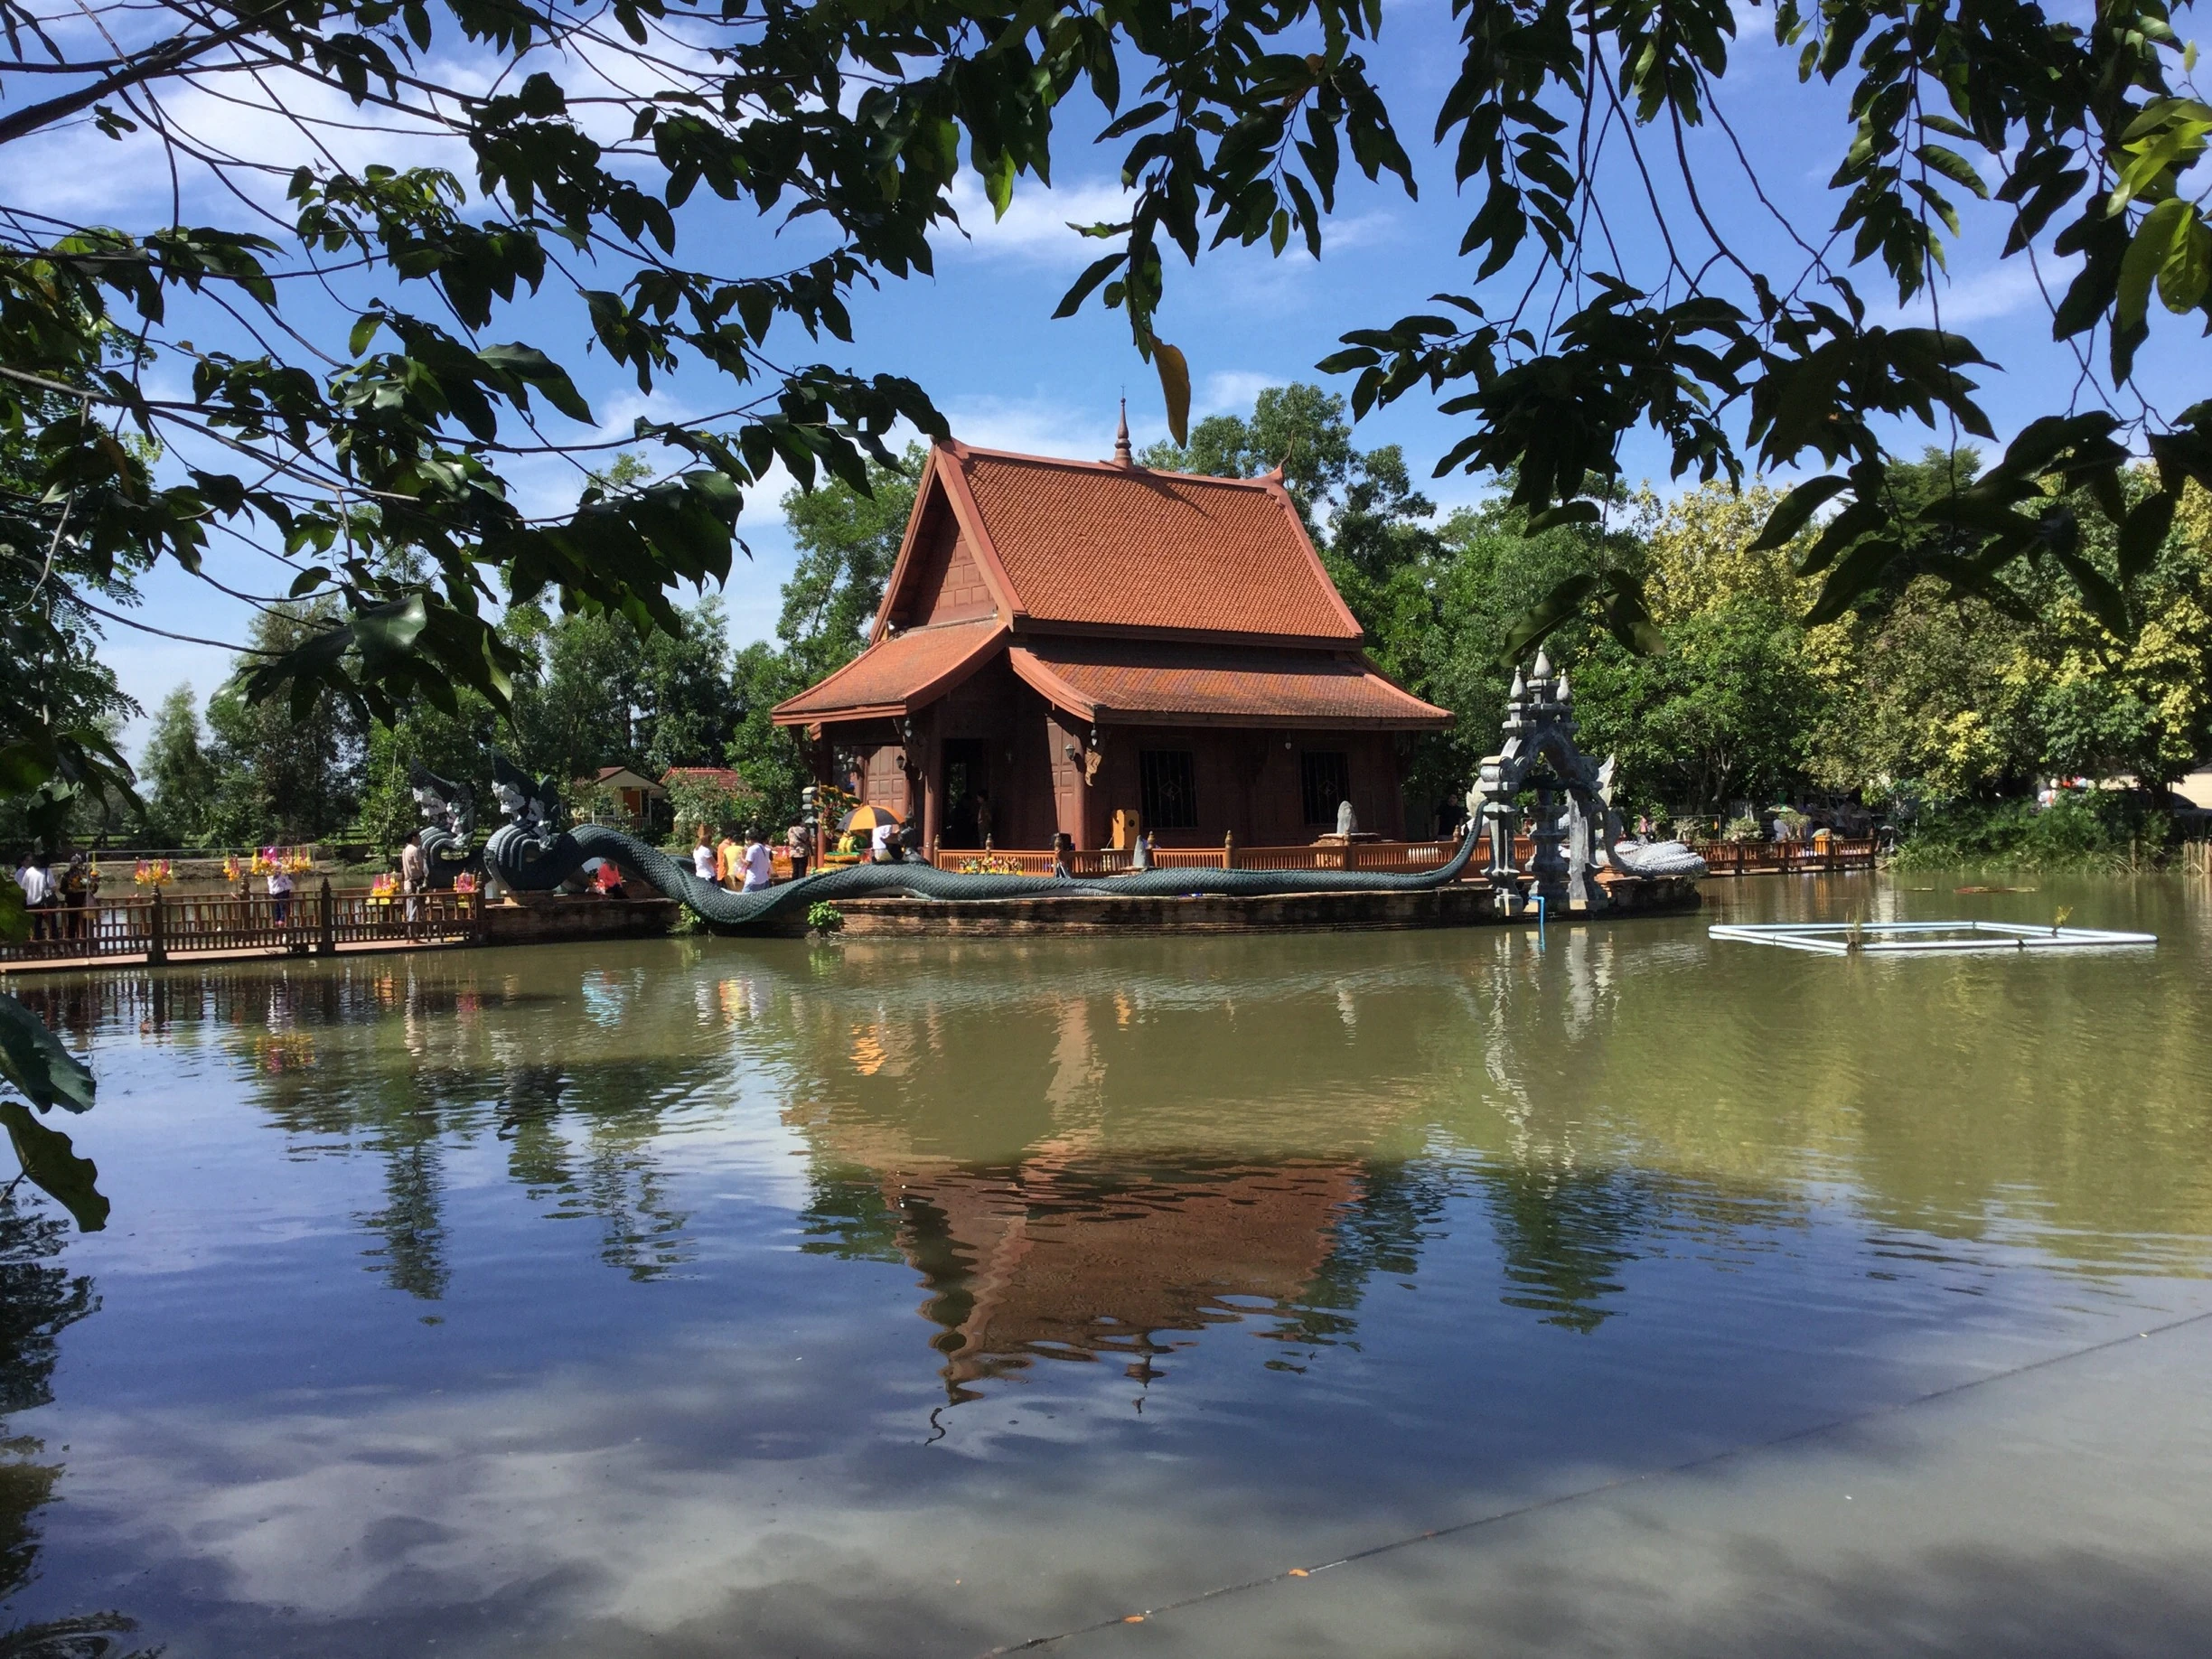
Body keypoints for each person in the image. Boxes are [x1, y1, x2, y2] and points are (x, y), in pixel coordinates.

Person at [14, 852, 52, 942]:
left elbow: (24, 886)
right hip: (36, 902)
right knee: (38, 925)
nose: (30, 863)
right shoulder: (21, 873)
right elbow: (21, 888)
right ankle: (35, 945)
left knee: (37, 926)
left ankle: (36, 945)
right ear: (22, 862)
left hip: (32, 901)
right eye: (28, 861)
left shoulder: (29, 872)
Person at [60, 852, 93, 940]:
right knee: (72, 924)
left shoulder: (85, 874)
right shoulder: (67, 875)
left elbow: (92, 888)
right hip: (72, 903)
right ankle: (72, 943)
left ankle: (86, 943)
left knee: (86, 924)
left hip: (84, 902)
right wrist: (71, 890)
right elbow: (62, 889)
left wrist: (93, 884)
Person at [399, 832, 425, 925]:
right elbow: (420, 867)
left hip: (407, 883)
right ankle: (412, 936)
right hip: (414, 882)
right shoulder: (415, 850)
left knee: (409, 909)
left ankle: (409, 937)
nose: (420, 839)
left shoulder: (405, 850)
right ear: (414, 838)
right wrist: (422, 857)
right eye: (419, 837)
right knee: (414, 910)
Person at [741, 826, 773, 892]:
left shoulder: (752, 848)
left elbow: (748, 864)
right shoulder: (764, 848)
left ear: (750, 839)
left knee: (745, 900)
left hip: (753, 880)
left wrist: (741, 857)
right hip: (763, 879)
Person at [267, 861, 294, 925]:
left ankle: (278, 922)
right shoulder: (274, 873)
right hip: (280, 891)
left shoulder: (270, 872)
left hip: (276, 891)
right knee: (282, 909)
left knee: (279, 909)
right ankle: (281, 923)